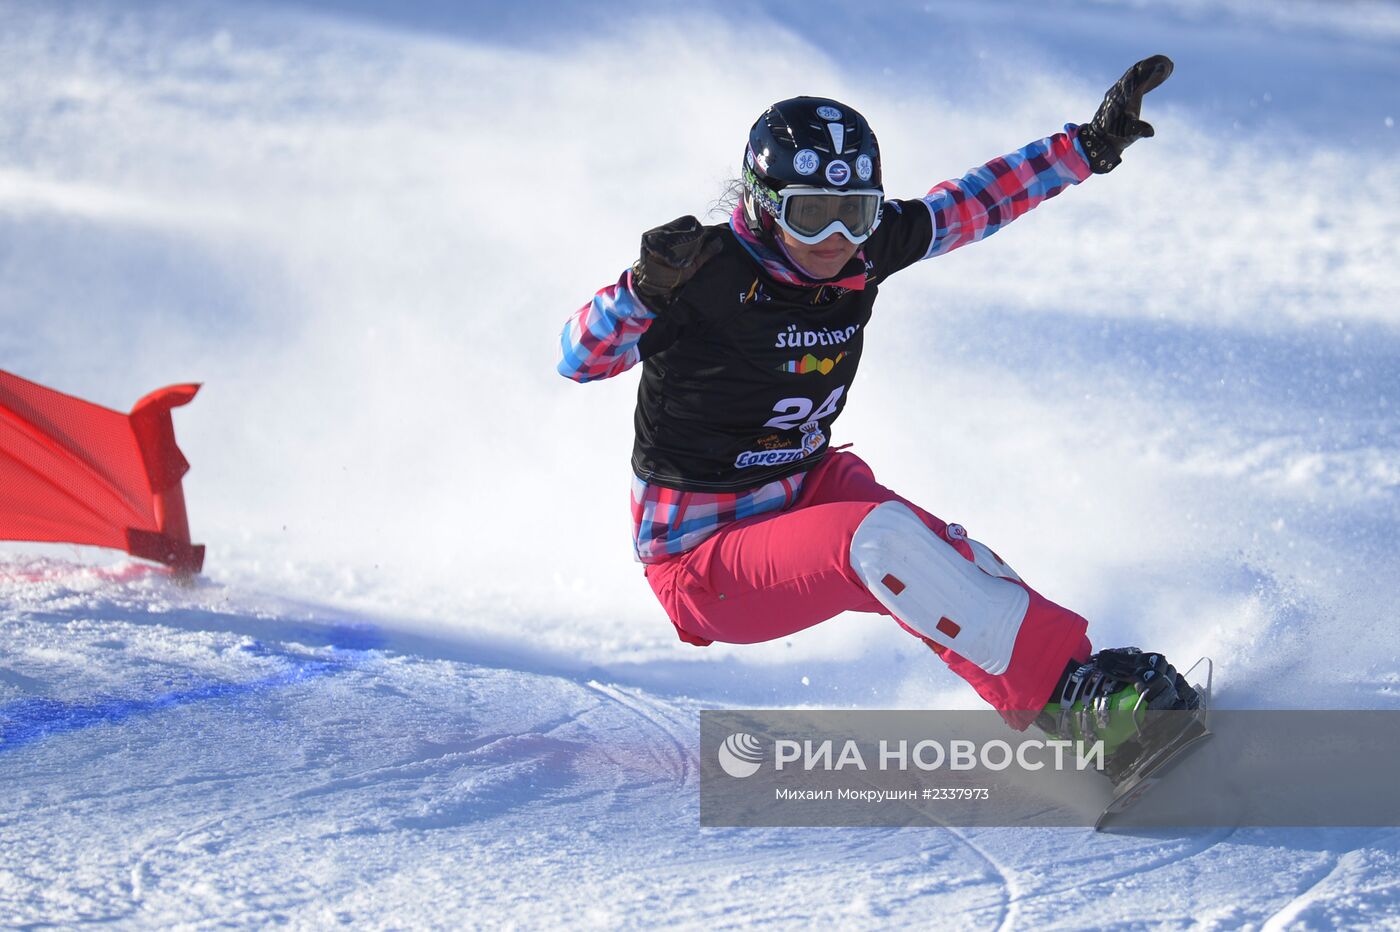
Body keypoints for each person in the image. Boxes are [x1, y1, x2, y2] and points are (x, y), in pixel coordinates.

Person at [558, 57, 1198, 775]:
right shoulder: (702, 275)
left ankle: (1076, 687)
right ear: (766, 204)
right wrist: (643, 292)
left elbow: (970, 205)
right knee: (881, 540)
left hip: (807, 485)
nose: (836, 237)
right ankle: (1070, 709)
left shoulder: (860, 253)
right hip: (702, 557)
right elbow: (580, 357)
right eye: (811, 213)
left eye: (856, 214)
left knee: (945, 555)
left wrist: (1085, 147)